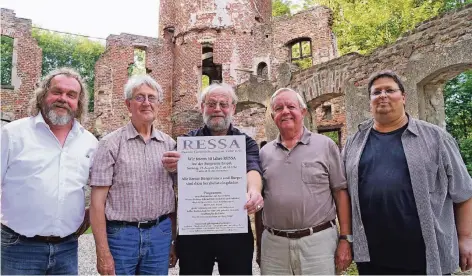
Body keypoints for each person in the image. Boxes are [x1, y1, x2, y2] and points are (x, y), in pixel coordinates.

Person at [343, 70, 472, 275]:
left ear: (403, 97)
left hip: (424, 255)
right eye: (376, 92)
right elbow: (344, 193)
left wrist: (466, 238)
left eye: (390, 90)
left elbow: (464, 192)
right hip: (372, 257)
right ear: (370, 101)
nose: (383, 95)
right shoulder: (354, 142)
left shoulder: (436, 138)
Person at [1, 67, 98, 274]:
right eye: (57, 91)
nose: (63, 98)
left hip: (67, 248)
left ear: (79, 102)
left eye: (71, 95)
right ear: (43, 94)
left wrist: (88, 214)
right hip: (18, 248)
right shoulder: (12, 134)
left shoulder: (89, 142)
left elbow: (98, 188)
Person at [162, 83, 264, 275]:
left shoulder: (245, 143)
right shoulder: (186, 143)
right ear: (202, 108)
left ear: (233, 108)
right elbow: (173, 176)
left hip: (234, 227)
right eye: (211, 104)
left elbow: (252, 169)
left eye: (223, 104)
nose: (217, 109)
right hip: (195, 231)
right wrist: (172, 166)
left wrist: (255, 191)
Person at [257, 88, 352, 275]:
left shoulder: (325, 146)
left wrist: (345, 238)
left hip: (318, 242)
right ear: (273, 115)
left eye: (291, 106)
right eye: (279, 108)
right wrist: (260, 245)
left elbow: (340, 192)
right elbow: (260, 202)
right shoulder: (264, 153)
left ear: (303, 111)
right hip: (275, 246)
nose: (285, 111)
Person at [89, 75, 177, 275]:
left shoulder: (169, 145)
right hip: (121, 236)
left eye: (151, 98)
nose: (146, 103)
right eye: (139, 98)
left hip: (159, 233)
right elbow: (96, 203)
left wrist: (172, 239)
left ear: (158, 104)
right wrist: (102, 252)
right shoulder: (110, 144)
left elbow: (178, 196)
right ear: (128, 105)